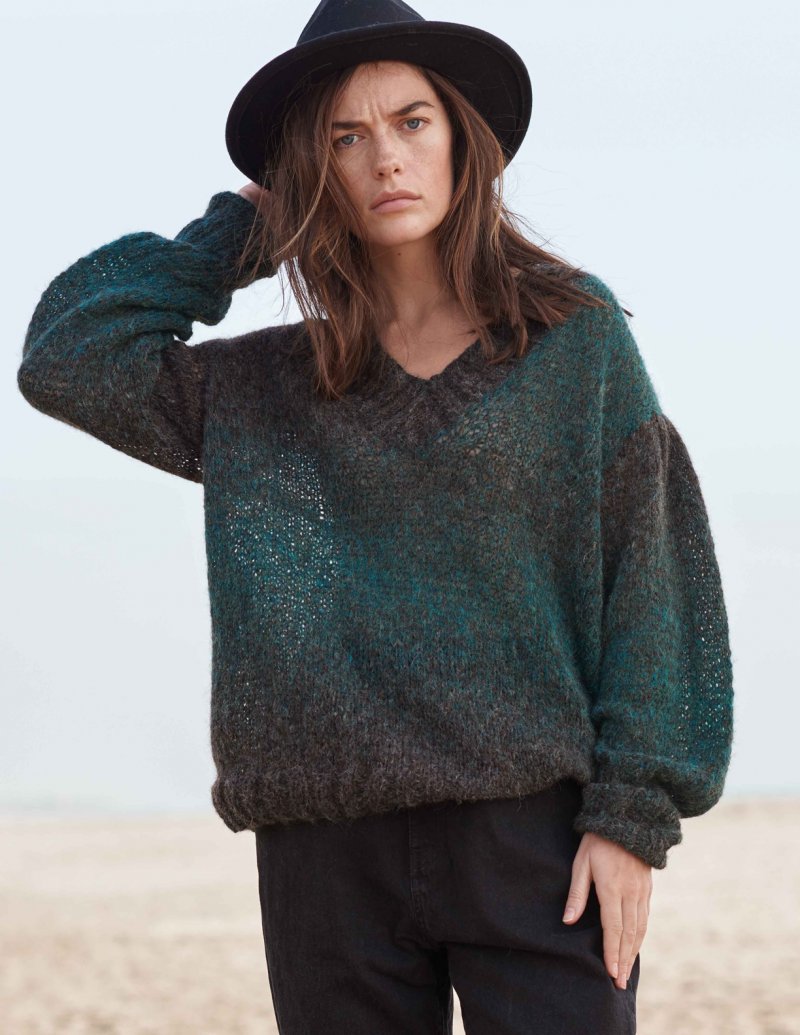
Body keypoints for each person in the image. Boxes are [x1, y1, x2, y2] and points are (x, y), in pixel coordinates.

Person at [17, 0, 735, 1032]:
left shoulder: (569, 343)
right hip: (323, 861)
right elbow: (68, 356)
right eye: (344, 138)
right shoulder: (263, 389)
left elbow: (652, 578)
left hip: (531, 841)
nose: (385, 158)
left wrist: (632, 820)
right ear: (313, 172)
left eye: (411, 122)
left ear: (461, 141)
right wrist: (240, 231)